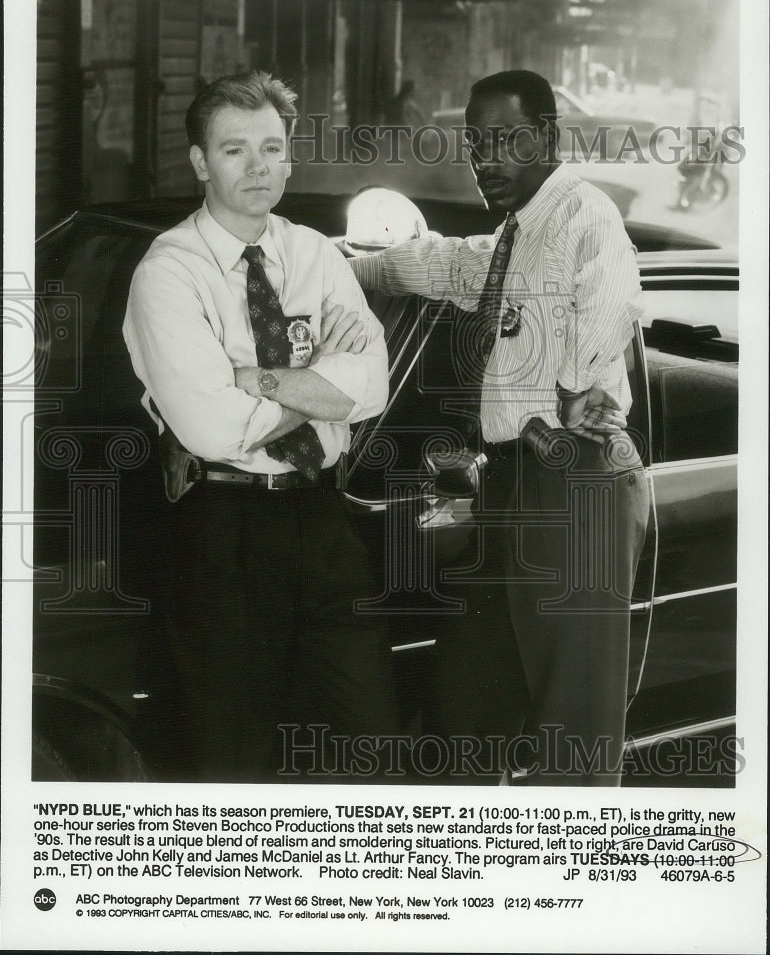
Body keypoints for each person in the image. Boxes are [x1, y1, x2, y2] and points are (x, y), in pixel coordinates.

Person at [350, 69, 650, 786]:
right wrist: (352, 270)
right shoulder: (514, 238)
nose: (488, 159)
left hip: (578, 481)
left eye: (509, 139)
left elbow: (613, 299)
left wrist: (575, 382)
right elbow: (445, 263)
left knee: (571, 723)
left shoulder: (584, 213)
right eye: (477, 143)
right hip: (510, 484)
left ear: (548, 136)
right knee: (464, 703)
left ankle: (566, 881)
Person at [123, 70, 396, 782]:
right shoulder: (169, 272)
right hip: (223, 530)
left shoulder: (313, 253)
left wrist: (260, 380)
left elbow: (374, 384)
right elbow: (215, 428)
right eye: (235, 150)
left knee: (370, 742)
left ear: (290, 156)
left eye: (272, 148)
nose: (258, 168)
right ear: (199, 162)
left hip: (322, 516)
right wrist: (322, 386)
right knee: (233, 758)